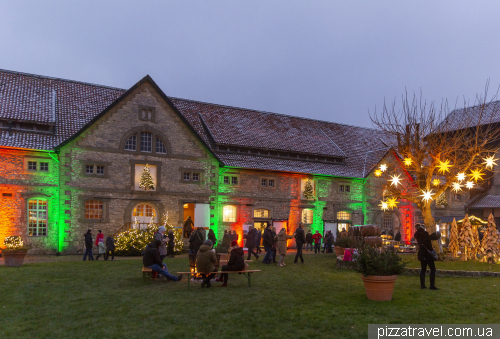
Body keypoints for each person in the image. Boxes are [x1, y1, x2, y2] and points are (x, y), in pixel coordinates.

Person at [414, 223, 441, 290]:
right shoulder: (425, 235)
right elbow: (434, 237)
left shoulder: (418, 237)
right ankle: (432, 285)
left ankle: (422, 285)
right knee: (433, 269)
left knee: (423, 270)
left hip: (421, 255)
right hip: (428, 255)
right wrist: (437, 232)